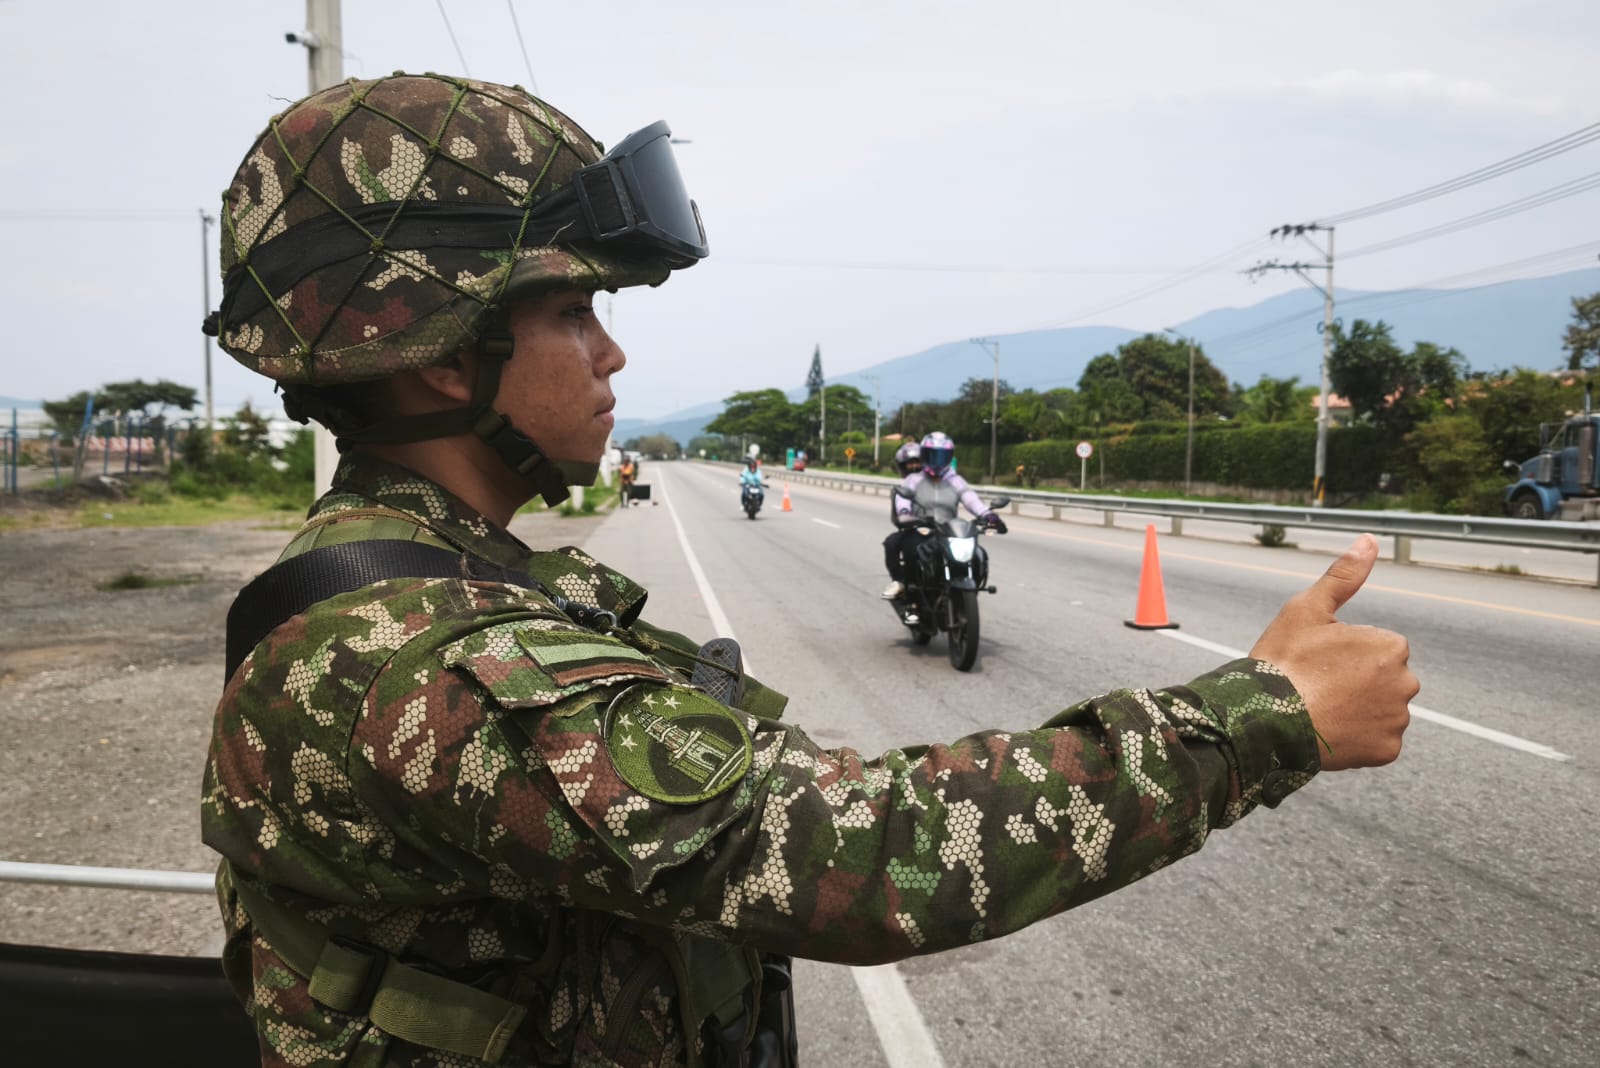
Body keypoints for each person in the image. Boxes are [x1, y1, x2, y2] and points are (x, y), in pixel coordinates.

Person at [201, 73, 1416, 1068]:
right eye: (571, 313)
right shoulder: (420, 657)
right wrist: (1267, 716)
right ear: (435, 358)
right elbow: (859, 852)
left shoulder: (432, 581)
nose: (611, 351)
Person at [881, 431, 1005, 601]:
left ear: (949, 457)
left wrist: (988, 514)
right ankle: (906, 588)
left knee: (977, 554)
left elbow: (970, 499)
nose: (936, 461)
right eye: (932, 456)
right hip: (921, 529)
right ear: (924, 455)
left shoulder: (955, 480)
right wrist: (905, 514)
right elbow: (903, 499)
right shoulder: (914, 480)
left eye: (941, 456)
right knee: (903, 547)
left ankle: (970, 588)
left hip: (950, 531)